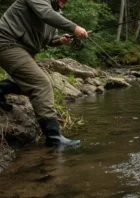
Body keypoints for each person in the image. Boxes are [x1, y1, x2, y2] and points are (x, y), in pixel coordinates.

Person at [0, 0, 91, 147]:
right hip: (6, 42)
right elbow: (45, 14)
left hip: (21, 49)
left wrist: (61, 40)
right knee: (41, 84)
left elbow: (49, 39)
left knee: (38, 81)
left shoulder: (54, 11)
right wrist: (75, 27)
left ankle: (1, 90)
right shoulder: (44, 6)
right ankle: (54, 137)